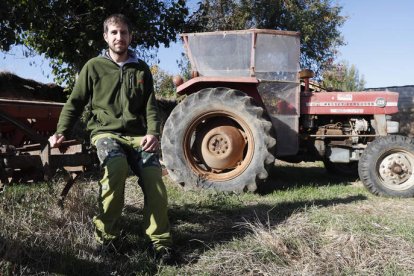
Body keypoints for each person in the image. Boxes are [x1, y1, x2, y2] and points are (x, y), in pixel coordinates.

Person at [48, 13, 173, 261]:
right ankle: (108, 238)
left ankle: (160, 242)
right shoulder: (93, 67)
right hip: (106, 134)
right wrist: (61, 132)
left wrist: (152, 133)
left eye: (124, 32)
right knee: (115, 166)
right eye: (114, 33)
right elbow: (75, 102)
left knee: (153, 176)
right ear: (105, 37)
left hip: (138, 137)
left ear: (130, 36)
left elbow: (150, 107)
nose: (119, 37)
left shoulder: (141, 69)